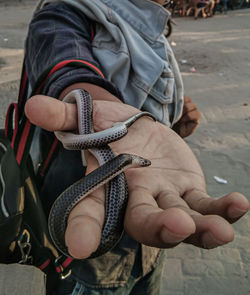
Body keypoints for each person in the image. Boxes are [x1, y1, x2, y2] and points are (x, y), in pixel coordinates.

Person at [23, 0, 249, 294]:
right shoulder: (61, 14)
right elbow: (67, 66)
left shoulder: (149, 22)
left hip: (149, 236)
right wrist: (99, 107)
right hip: (88, 250)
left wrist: (176, 115)